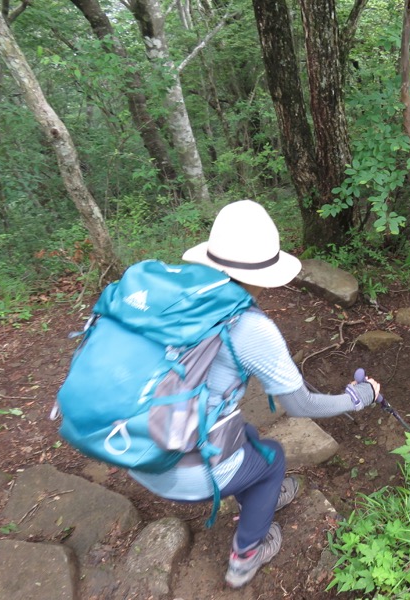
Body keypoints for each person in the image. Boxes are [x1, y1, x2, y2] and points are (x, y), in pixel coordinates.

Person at [128, 200, 381, 589]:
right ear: (265, 272)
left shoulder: (175, 296)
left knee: (246, 434)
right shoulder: (249, 327)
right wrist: (359, 396)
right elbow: (300, 406)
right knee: (272, 458)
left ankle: (252, 495)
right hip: (176, 468)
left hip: (134, 445)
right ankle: (246, 555)